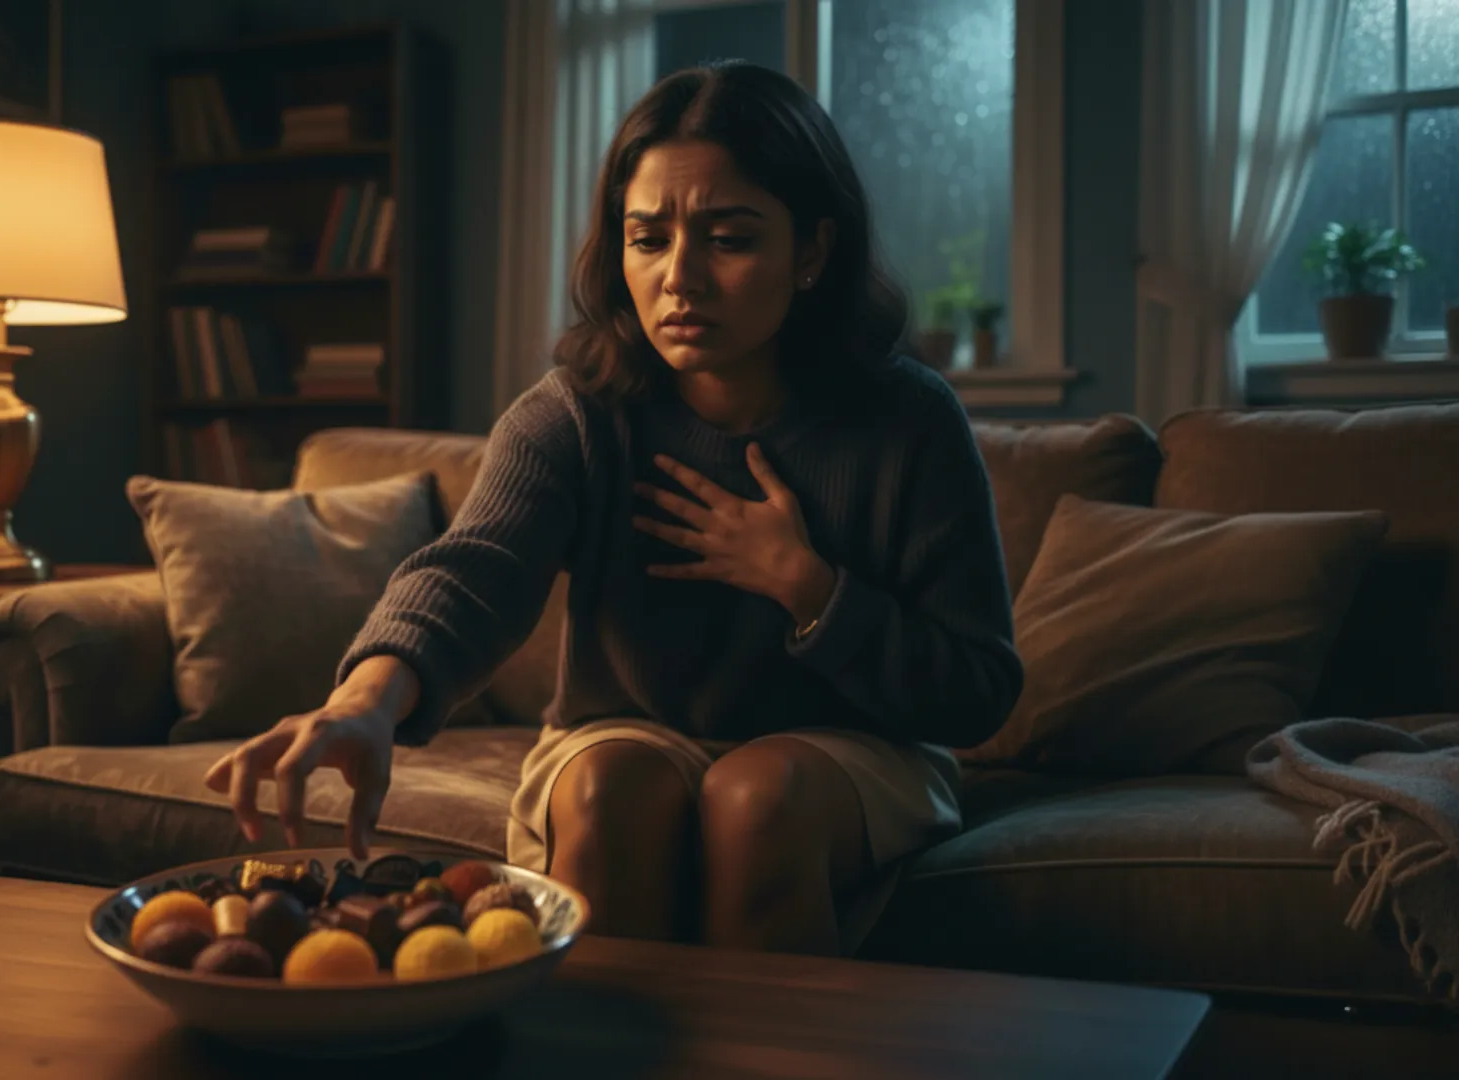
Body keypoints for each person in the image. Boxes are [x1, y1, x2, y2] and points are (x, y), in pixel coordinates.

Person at [205, 61, 1022, 957]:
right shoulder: (577, 414)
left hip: (853, 752)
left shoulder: (909, 420)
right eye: (648, 238)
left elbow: (977, 690)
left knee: (759, 796)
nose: (681, 277)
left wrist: (812, 589)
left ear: (813, 253)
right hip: (625, 733)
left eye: (729, 238)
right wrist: (365, 699)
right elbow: (474, 572)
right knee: (608, 788)